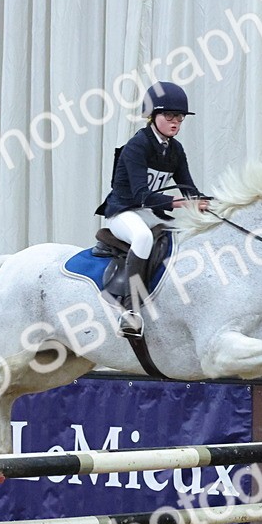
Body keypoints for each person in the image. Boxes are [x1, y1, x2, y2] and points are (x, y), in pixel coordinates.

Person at [97, 81, 210, 337]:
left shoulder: (175, 149)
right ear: (153, 116)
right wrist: (179, 203)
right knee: (143, 237)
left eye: (179, 117)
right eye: (169, 116)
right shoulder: (137, 145)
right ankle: (130, 310)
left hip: (148, 212)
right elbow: (141, 195)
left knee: (186, 235)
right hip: (124, 211)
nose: (175, 122)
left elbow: (188, 188)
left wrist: (209, 204)